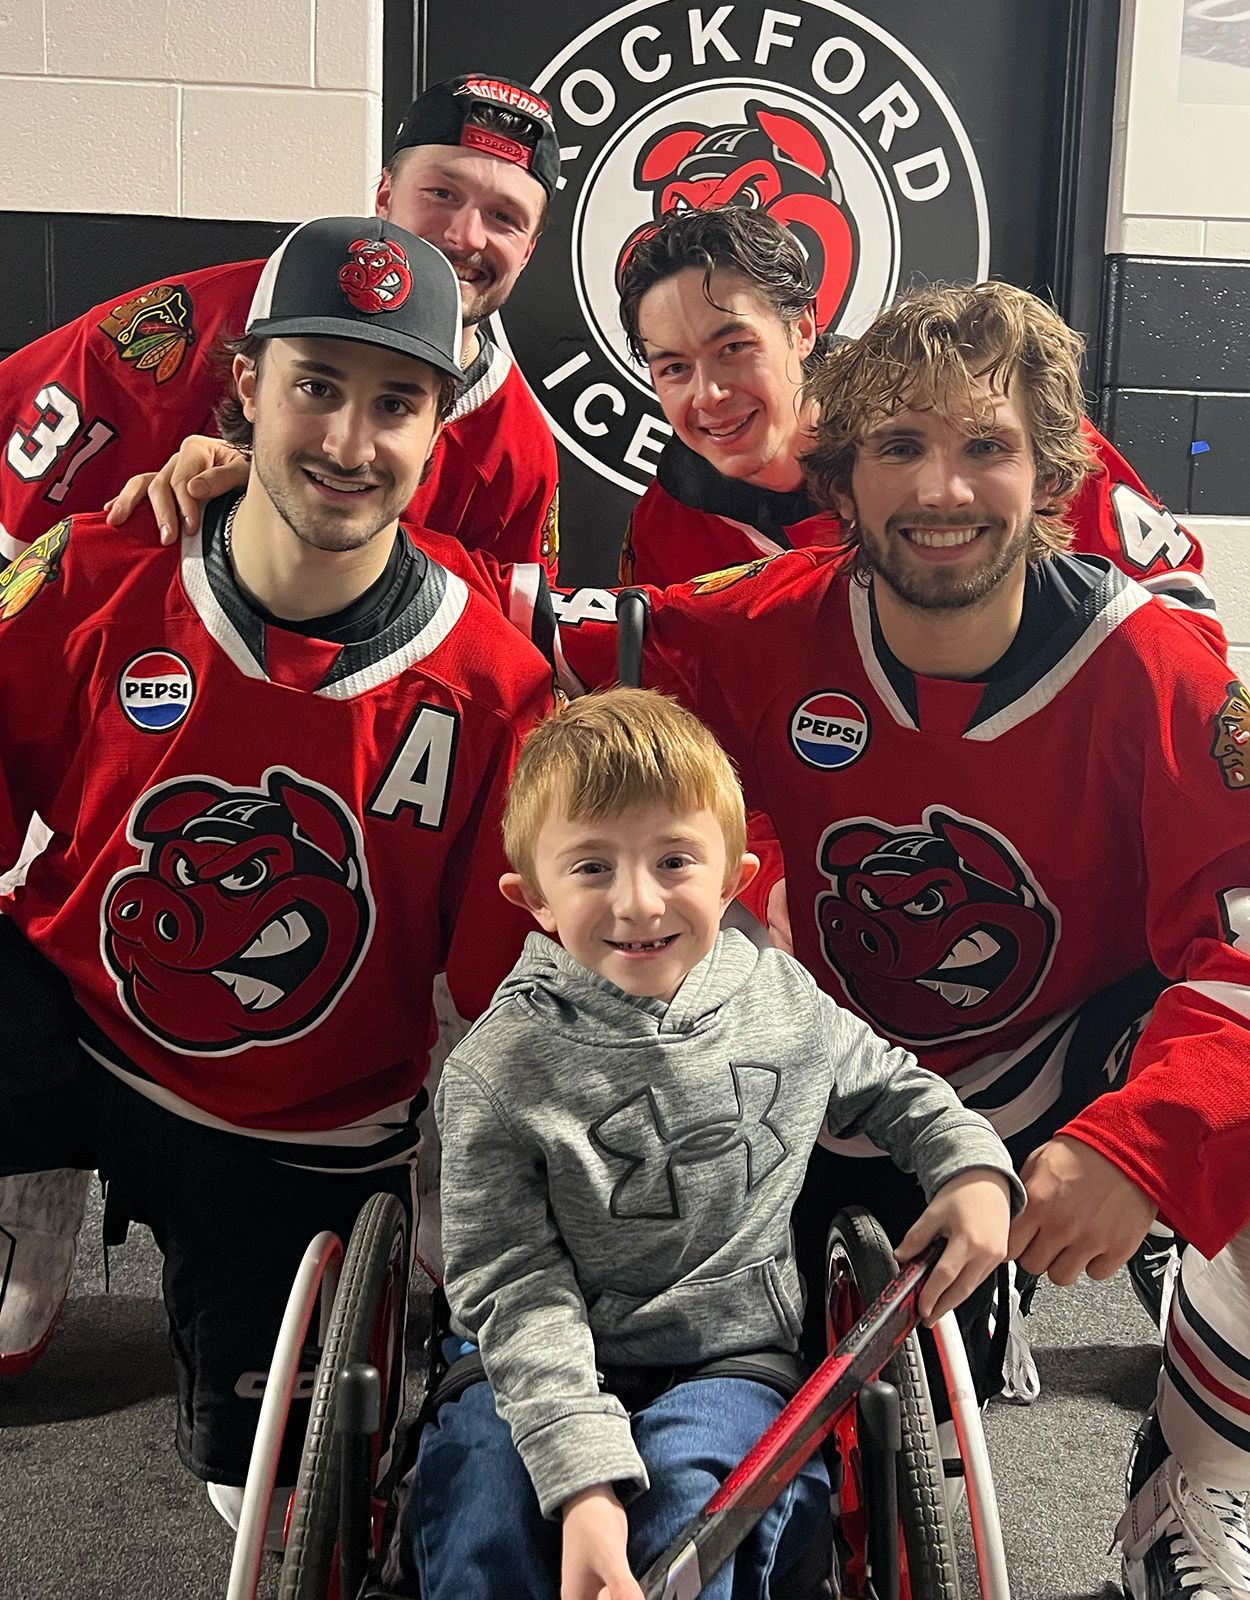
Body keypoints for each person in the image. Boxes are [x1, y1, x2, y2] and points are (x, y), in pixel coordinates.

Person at [543, 281, 1250, 1597]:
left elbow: (1240, 951)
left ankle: (1192, 1489)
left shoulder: (1159, 669)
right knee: (799, 1434)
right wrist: (271, 511)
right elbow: (487, 627)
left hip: (1044, 1078)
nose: (939, 487)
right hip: (816, 1079)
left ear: (1051, 474)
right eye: (898, 446)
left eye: (983, 446)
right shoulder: (757, 623)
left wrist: (1138, 1148)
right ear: (845, 478)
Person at [0, 215, 555, 1533]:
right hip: (72, 1035)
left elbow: (503, 987)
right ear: (244, 388)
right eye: (316, 385)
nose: (349, 444)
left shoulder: (493, 681)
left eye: (395, 403)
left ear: (437, 432)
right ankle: (35, 1192)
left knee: (285, 1505)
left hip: (298, 1123)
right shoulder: (93, 571)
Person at [400, 687, 1018, 1600]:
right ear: (530, 899)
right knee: (488, 1519)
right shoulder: (501, 1069)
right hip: (525, 1360)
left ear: (732, 876)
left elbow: (896, 1087)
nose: (640, 902)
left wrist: (968, 1164)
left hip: (728, 1355)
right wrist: (584, 1487)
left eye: (675, 860)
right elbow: (514, 1283)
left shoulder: (780, 1003)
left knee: (695, 1527)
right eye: (592, 869)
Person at [0, 73, 562, 574]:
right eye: (441, 193)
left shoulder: (518, 452)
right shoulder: (183, 328)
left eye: (504, 217)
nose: (465, 236)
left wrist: (287, 499)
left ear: (530, 251)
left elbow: (506, 650)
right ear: (385, 196)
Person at [615, 208, 1219, 649]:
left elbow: (1180, 616)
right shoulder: (667, 527)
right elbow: (682, 721)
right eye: (673, 366)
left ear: (802, 331)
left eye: (735, 347)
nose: (709, 394)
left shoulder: (979, 421)